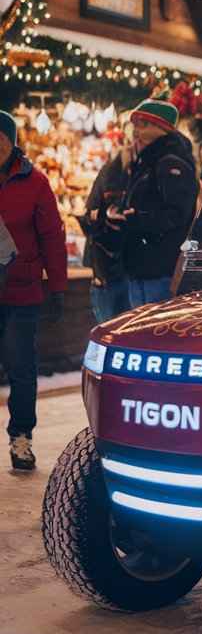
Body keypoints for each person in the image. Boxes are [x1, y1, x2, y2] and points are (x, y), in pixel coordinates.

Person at [0, 109, 67, 472]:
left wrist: (57, 287)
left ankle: (21, 438)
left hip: (20, 292)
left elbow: (52, 238)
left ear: (12, 142)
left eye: (1, 139)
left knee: (21, 369)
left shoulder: (35, 182)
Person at [106, 100, 198, 307]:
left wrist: (136, 219)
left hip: (158, 266)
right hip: (142, 264)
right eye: (136, 124)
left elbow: (176, 214)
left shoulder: (171, 161)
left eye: (143, 124)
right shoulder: (147, 159)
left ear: (162, 128)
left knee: (152, 332)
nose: (136, 130)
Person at [80, 145, 131, 323]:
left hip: (124, 270)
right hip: (109, 270)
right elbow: (90, 215)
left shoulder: (143, 172)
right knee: (111, 331)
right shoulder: (111, 172)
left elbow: (90, 214)